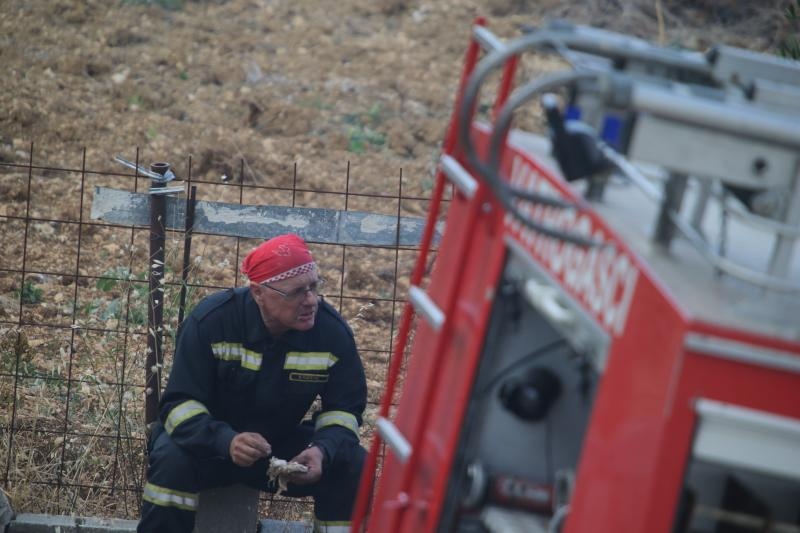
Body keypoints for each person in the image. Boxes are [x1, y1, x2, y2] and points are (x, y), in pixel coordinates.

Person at [138, 233, 367, 533]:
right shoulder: (211, 321)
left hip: (275, 450)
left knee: (353, 463)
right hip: (207, 447)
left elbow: (346, 412)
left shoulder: (331, 333)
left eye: (314, 287)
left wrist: (322, 450)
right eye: (296, 292)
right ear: (258, 293)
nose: (311, 301)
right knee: (171, 456)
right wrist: (226, 440)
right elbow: (178, 405)